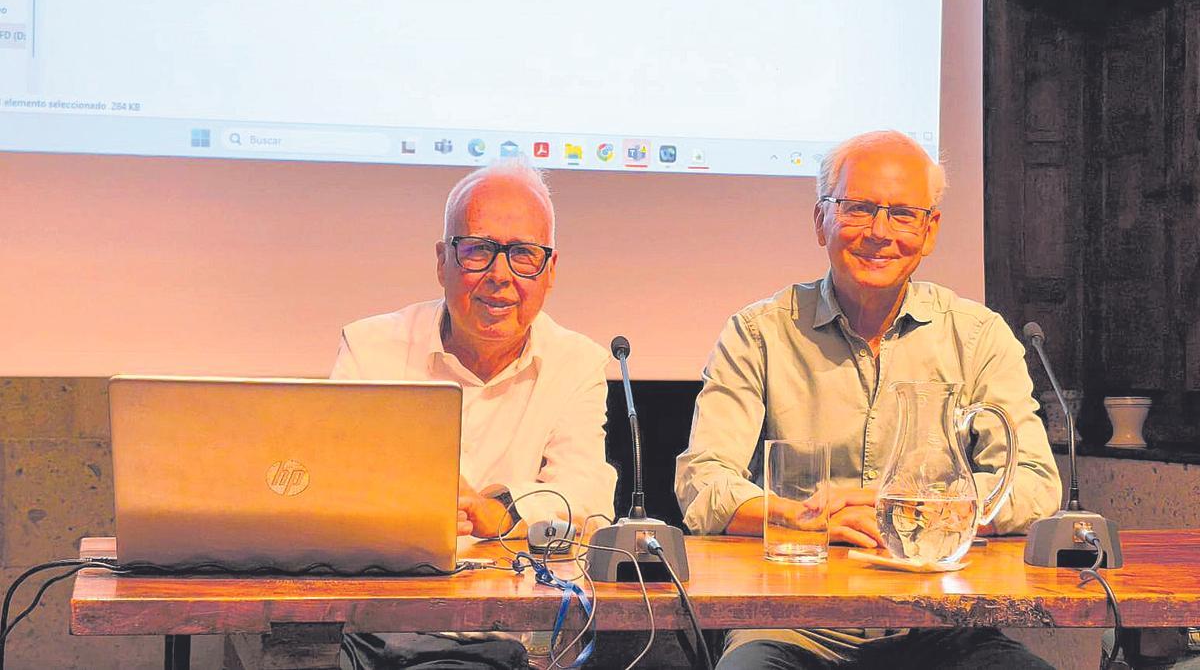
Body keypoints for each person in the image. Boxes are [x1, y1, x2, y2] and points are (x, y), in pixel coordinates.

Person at [675, 131, 1062, 669]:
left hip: (946, 622)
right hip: (789, 621)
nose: (880, 233)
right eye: (857, 208)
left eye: (903, 214)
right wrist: (804, 518)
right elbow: (703, 481)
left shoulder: (977, 336)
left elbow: (1036, 484)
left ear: (930, 232)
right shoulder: (758, 332)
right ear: (820, 221)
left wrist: (903, 510)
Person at [333, 158, 617, 669]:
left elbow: (590, 496)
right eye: (480, 251)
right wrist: (424, 503)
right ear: (443, 260)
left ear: (550, 271)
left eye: (524, 255)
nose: (500, 277)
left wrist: (504, 510)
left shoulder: (579, 362)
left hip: (522, 635)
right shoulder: (371, 348)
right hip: (387, 627)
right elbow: (333, 486)